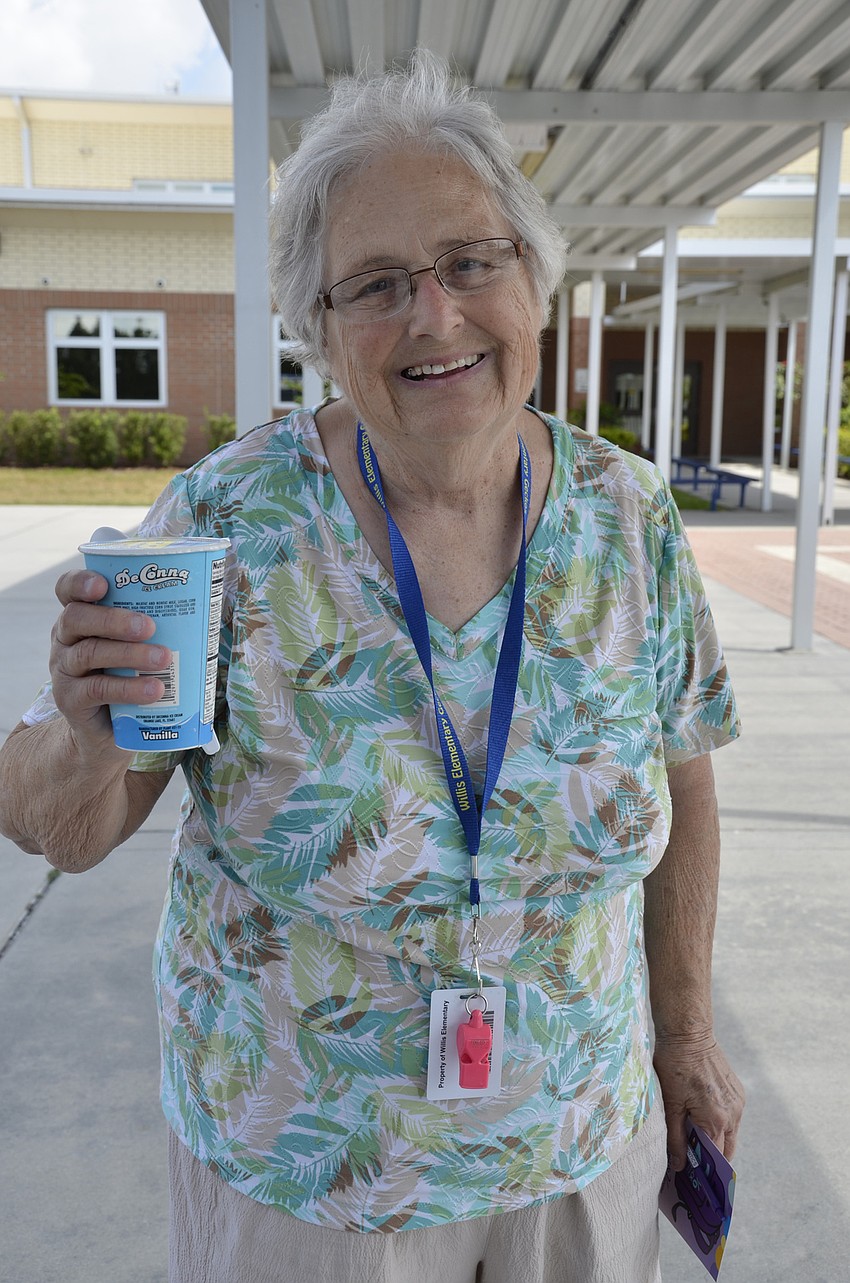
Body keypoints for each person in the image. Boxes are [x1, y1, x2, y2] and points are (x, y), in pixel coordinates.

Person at [0, 51, 744, 1283]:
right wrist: (83, 732)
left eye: (469, 263)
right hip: (311, 1174)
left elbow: (688, 778)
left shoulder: (629, 515)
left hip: (579, 1147)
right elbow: (63, 826)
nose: (435, 316)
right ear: (320, 326)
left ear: (534, 278)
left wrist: (687, 1040)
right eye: (378, 284)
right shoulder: (222, 524)